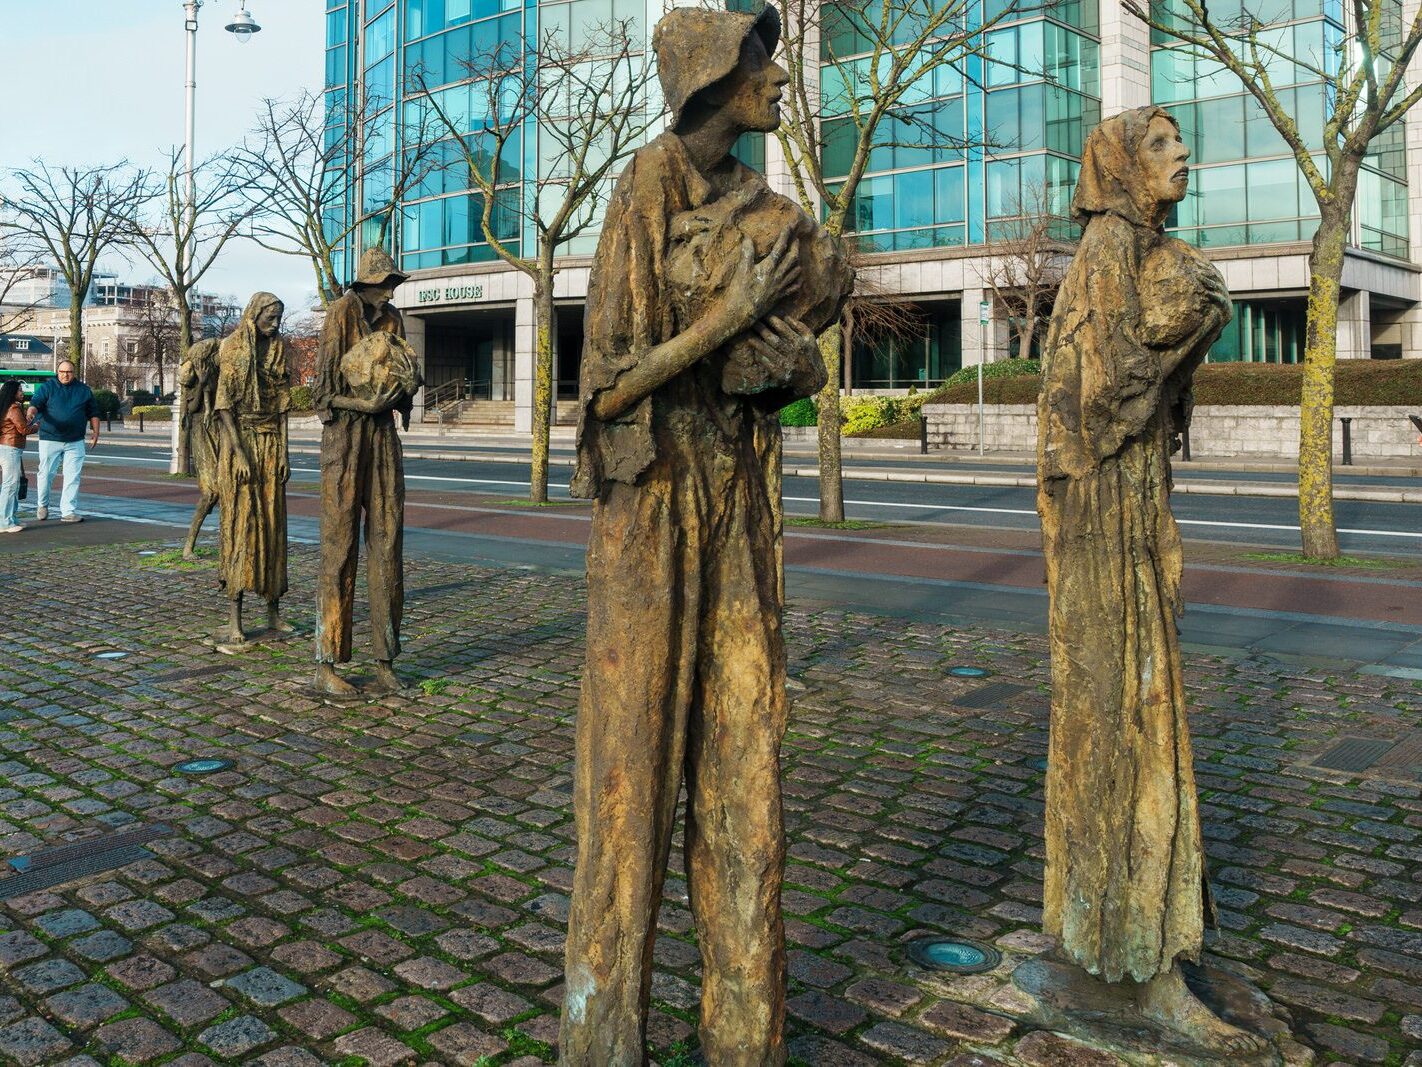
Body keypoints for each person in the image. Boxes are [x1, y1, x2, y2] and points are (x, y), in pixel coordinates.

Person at [560, 6, 849, 1061]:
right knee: (629, 782)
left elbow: (791, 358)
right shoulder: (645, 186)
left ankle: (746, 1036)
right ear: (713, 78)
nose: (779, 80)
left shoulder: (772, 212)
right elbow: (607, 387)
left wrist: (791, 355)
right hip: (648, 516)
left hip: (739, 512)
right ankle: (606, 1040)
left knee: (745, 772)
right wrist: (729, 318)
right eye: (760, 63)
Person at [1035, 106, 1265, 1055]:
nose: (1183, 156)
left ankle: (1125, 941)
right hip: (1102, 517)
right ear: (1124, 166)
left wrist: (1192, 319)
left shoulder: (1139, 249)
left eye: (1180, 142)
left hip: (1130, 506)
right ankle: (1134, 959)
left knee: (1133, 709)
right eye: (1163, 144)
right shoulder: (1107, 251)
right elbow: (1095, 399)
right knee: (1126, 711)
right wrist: (1192, 315)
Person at [312, 247, 414, 697]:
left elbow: (404, 375)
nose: (391, 289)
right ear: (367, 283)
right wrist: (364, 403)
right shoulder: (340, 313)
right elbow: (323, 395)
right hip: (345, 441)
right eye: (385, 281)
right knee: (339, 548)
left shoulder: (394, 320)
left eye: (394, 281)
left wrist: (402, 393)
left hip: (383, 440)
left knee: (388, 544)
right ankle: (328, 661)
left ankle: (386, 659)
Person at [213, 294, 291, 644]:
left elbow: (284, 406)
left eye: (279, 318)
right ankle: (235, 617)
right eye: (270, 318)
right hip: (240, 444)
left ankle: (274, 611)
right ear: (254, 314)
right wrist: (240, 453)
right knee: (241, 527)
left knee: (274, 527)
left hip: (271, 444)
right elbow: (224, 406)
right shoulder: (232, 347)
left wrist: (285, 452)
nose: (275, 324)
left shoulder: (279, 348)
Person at [28, 360, 99, 522]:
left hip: (75, 440)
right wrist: (31, 413)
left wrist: (96, 432)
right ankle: (42, 505)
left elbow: (93, 412)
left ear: (74, 373)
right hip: (49, 438)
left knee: (73, 476)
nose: (65, 375)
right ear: (57, 372)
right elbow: (35, 404)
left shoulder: (84, 390)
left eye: (69, 372)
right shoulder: (48, 387)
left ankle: (68, 511)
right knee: (45, 474)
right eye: (62, 371)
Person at [177, 338, 222, 560]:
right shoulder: (192, 383)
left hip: (216, 430)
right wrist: (202, 384)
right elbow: (192, 408)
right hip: (202, 434)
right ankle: (189, 546)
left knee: (224, 491)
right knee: (210, 493)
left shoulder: (215, 375)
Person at [0, 380, 36, 533]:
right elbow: (23, 430)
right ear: (13, 392)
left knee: (11, 485)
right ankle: (5, 522)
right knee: (10, 485)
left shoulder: (5, 407)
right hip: (11, 448)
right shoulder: (14, 407)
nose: (22, 392)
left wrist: (27, 421)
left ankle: (11, 519)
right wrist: (36, 427)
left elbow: (16, 425)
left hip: (6, 447)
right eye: (20, 390)